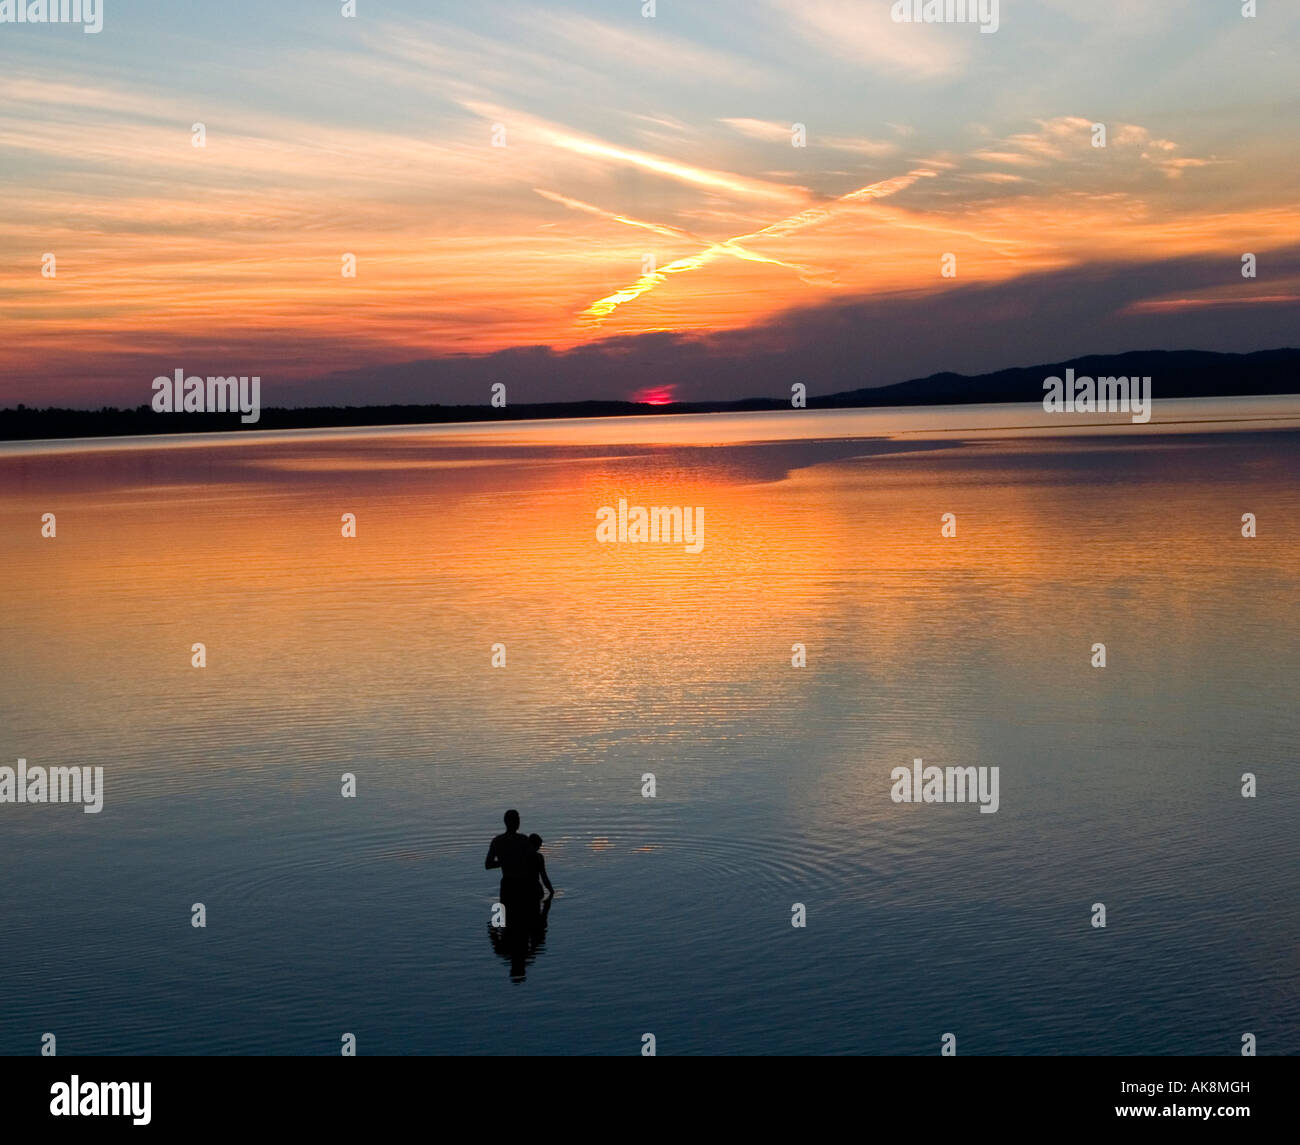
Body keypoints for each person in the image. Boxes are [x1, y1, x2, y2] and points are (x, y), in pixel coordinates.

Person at [527, 833, 554, 899]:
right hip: (535, 887)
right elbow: (544, 877)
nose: (539, 849)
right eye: (538, 846)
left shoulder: (518, 856)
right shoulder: (538, 857)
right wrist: (551, 891)